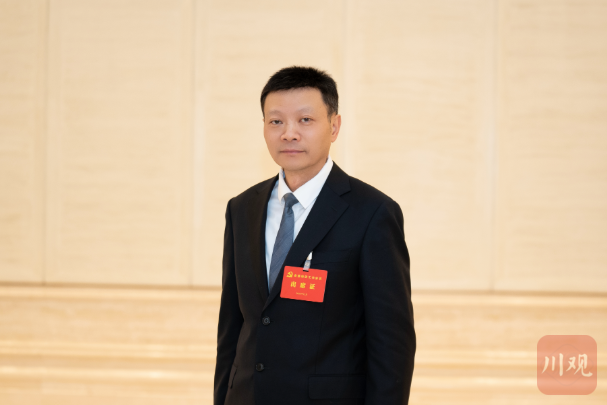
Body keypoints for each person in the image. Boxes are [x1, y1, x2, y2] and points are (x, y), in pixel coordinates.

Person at [214, 66, 415, 405]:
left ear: (334, 126)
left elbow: (392, 344)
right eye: (276, 121)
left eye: (305, 120)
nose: (289, 133)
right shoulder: (242, 208)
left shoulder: (372, 213)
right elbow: (231, 327)